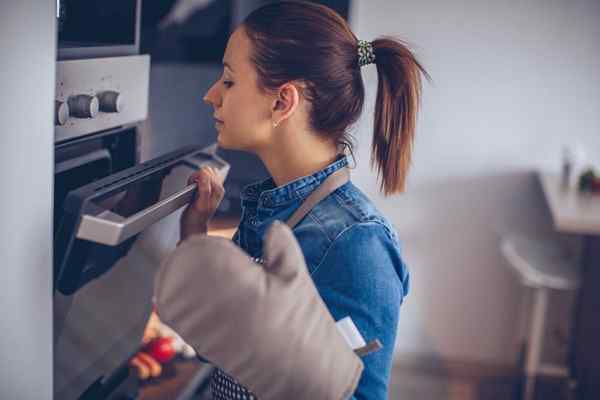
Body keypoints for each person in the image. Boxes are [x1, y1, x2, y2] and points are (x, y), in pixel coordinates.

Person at [179, 1, 428, 399]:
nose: (211, 95)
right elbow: (217, 347)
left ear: (282, 102)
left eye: (228, 80)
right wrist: (194, 234)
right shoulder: (270, 213)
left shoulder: (357, 245)